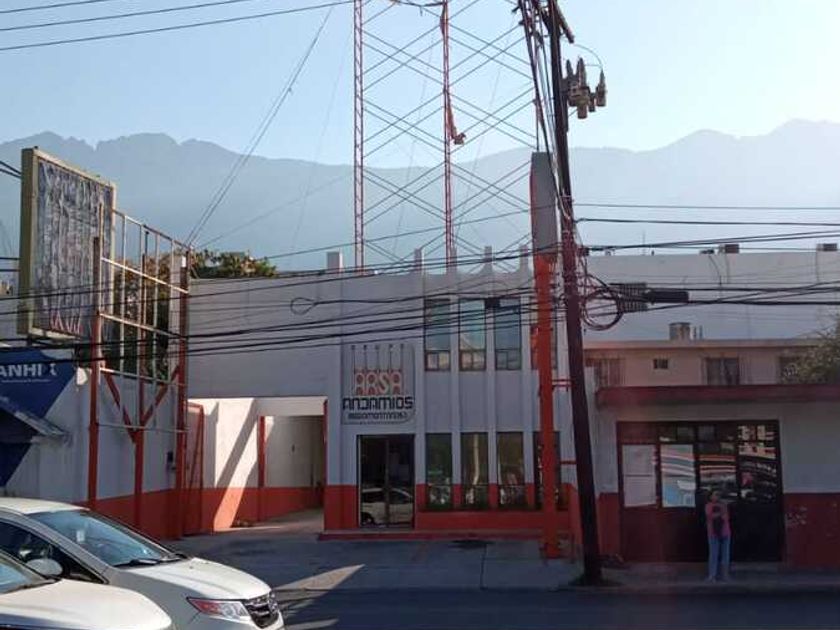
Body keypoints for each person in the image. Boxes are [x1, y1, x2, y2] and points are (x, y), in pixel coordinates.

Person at [705, 490, 731, 581]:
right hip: (713, 533)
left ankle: (725, 575)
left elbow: (725, 517)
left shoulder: (724, 505)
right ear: (711, 496)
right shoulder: (708, 506)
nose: (717, 496)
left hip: (725, 532)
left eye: (718, 495)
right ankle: (712, 575)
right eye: (715, 495)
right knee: (713, 554)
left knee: (725, 555)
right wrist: (720, 513)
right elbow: (710, 516)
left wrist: (720, 513)